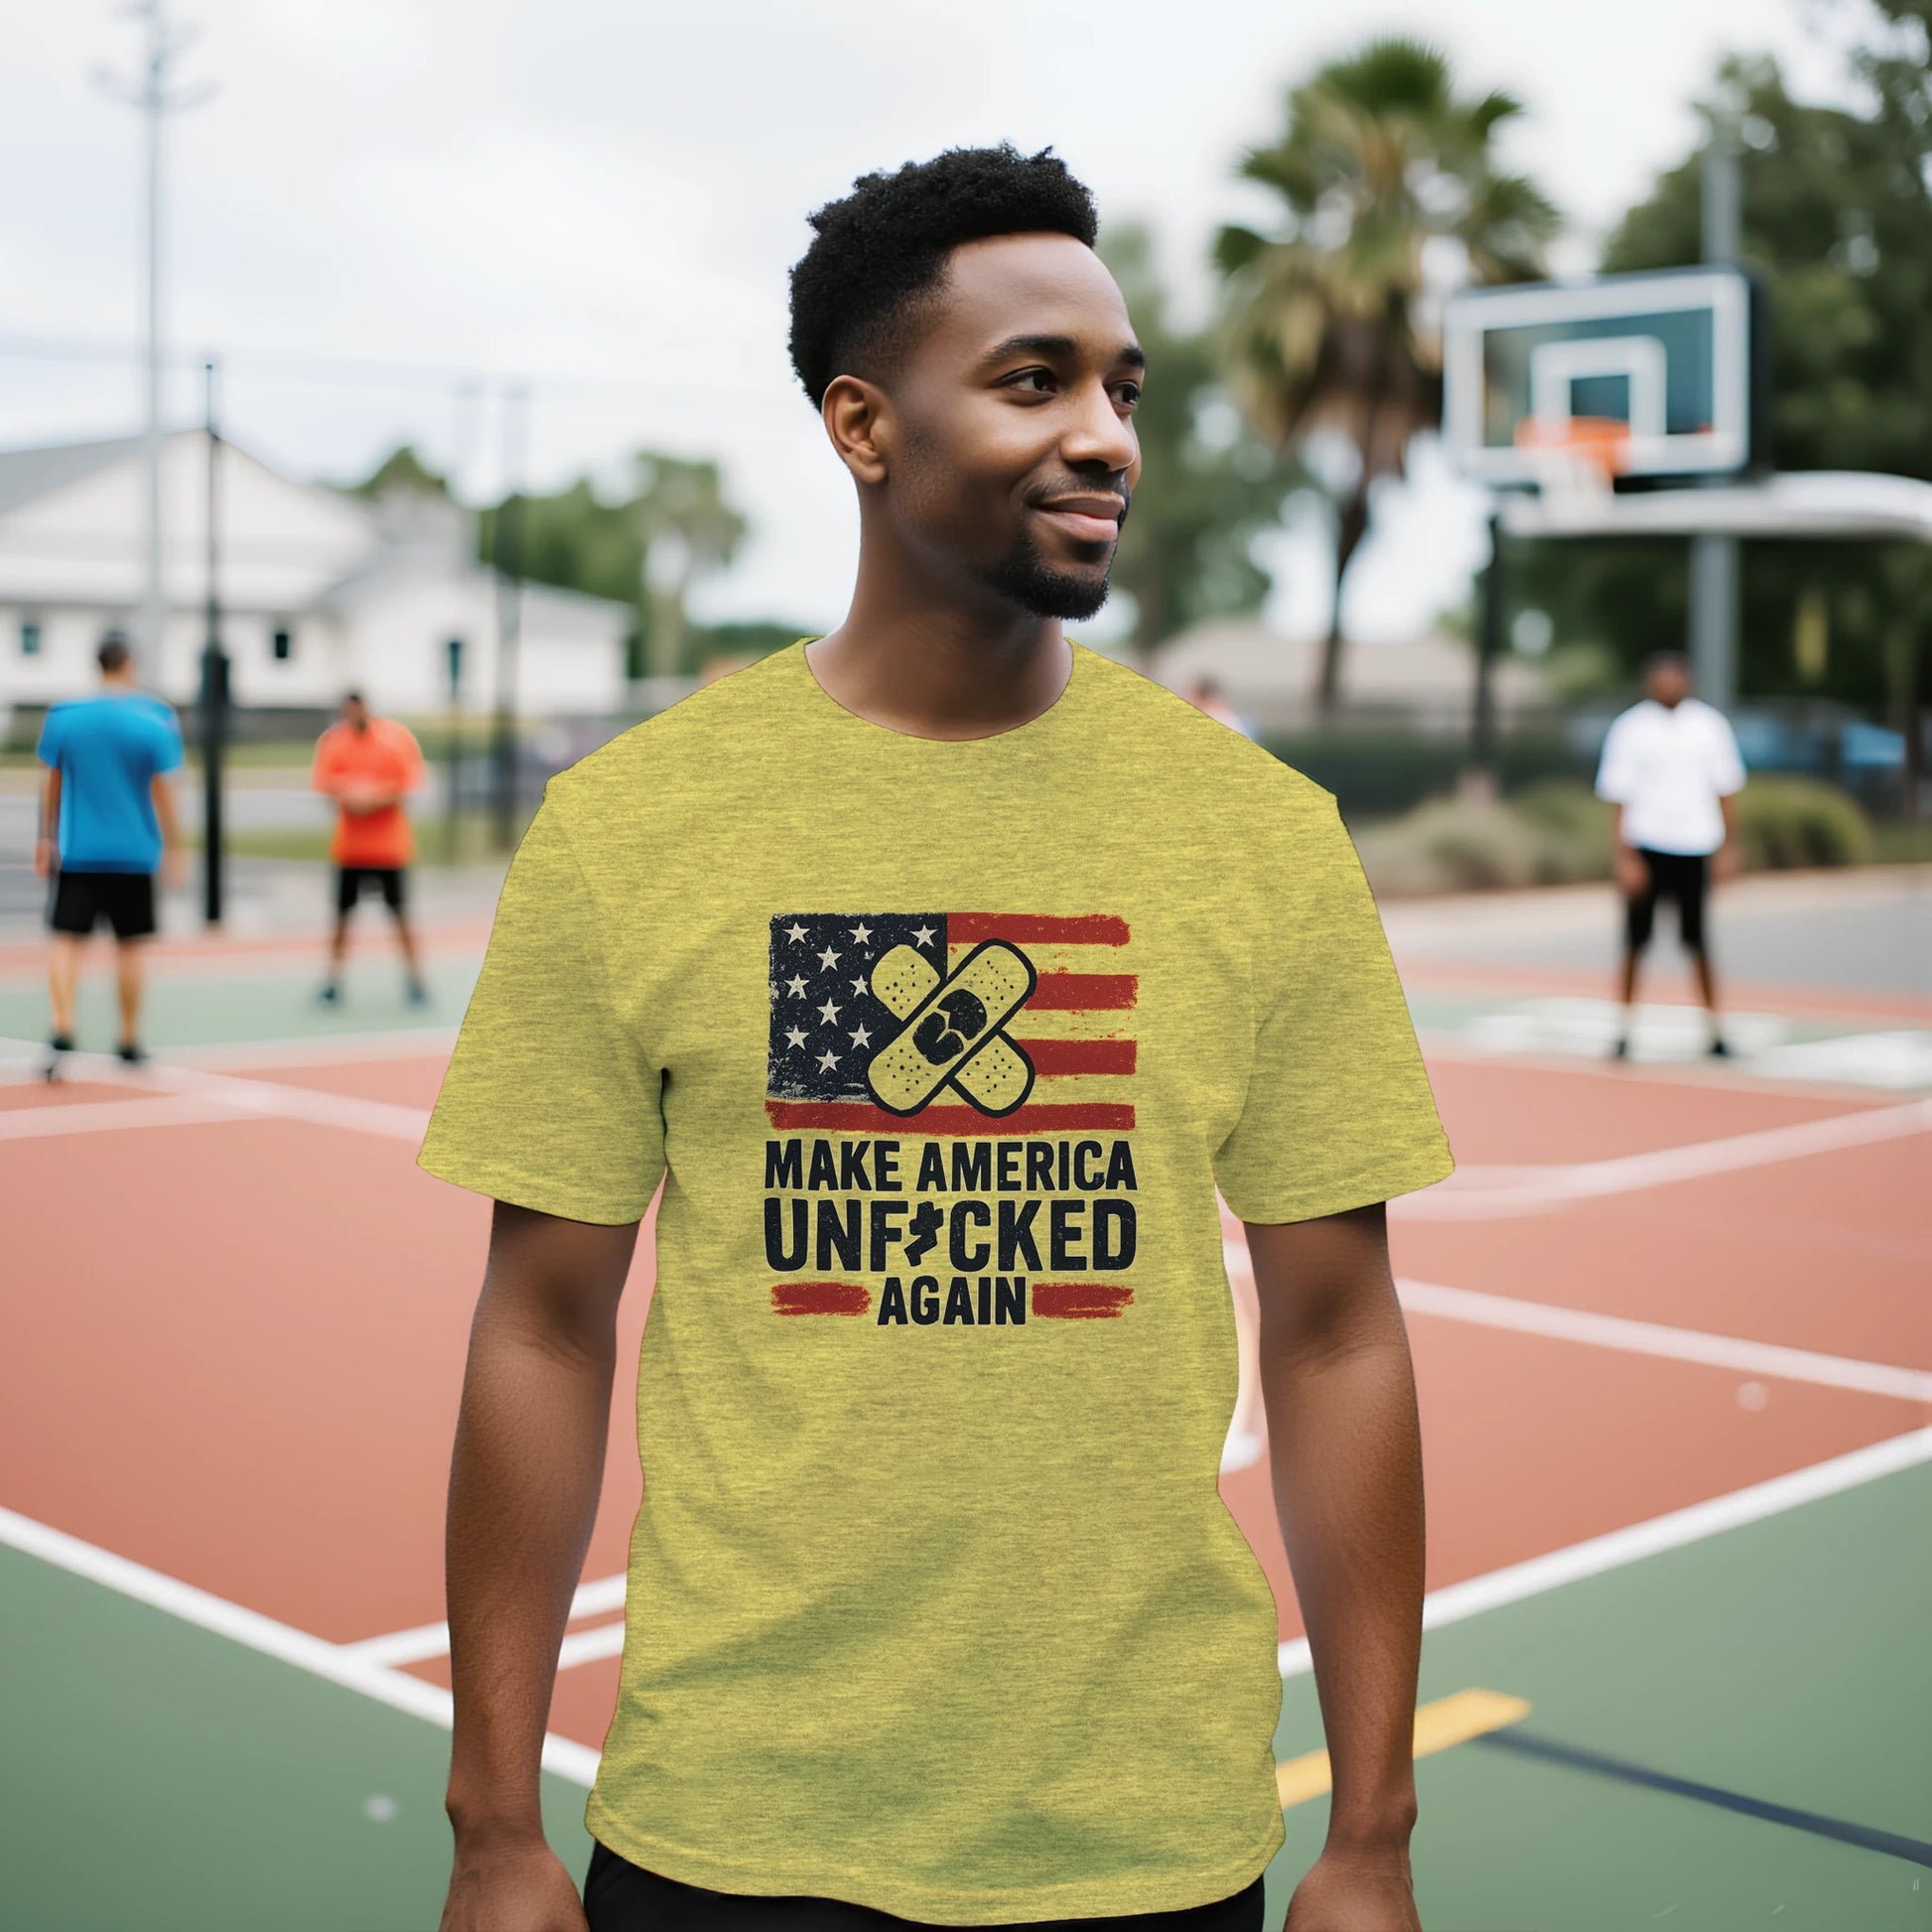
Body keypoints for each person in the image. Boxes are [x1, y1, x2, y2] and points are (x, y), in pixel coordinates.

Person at [420, 146, 1451, 1932]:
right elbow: (540, 1323)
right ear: (862, 424)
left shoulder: (1262, 832)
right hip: (729, 1827)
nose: (1109, 436)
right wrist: (493, 1826)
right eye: (1034, 380)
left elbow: (1341, 1332)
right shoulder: (630, 827)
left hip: (1148, 1836)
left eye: (1122, 389)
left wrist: (1371, 1834)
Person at [32, 632, 185, 1075]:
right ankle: (129, 1037)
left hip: (80, 850)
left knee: (66, 939)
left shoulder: (66, 716)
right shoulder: (155, 717)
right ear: (130, 662)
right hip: (133, 850)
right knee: (130, 945)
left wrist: (46, 838)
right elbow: (162, 791)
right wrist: (175, 847)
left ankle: (62, 1026)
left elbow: (52, 783)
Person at [1594, 650, 1746, 1058]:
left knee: (1697, 941)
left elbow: (1726, 789)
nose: (1667, 684)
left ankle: (1715, 1030)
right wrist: (1625, 857)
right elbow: (1617, 795)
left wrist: (1729, 846)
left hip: (1695, 846)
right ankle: (1623, 1030)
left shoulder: (1710, 726)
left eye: (1674, 676)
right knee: (1634, 943)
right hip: (1647, 846)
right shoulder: (1630, 728)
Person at [311, 690, 428, 1005]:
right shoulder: (334, 742)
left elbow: (408, 783)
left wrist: (374, 796)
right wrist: (349, 795)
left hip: (388, 849)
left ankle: (416, 980)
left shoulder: (395, 739)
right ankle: (332, 981)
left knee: (401, 916)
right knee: (342, 917)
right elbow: (326, 783)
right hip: (351, 849)